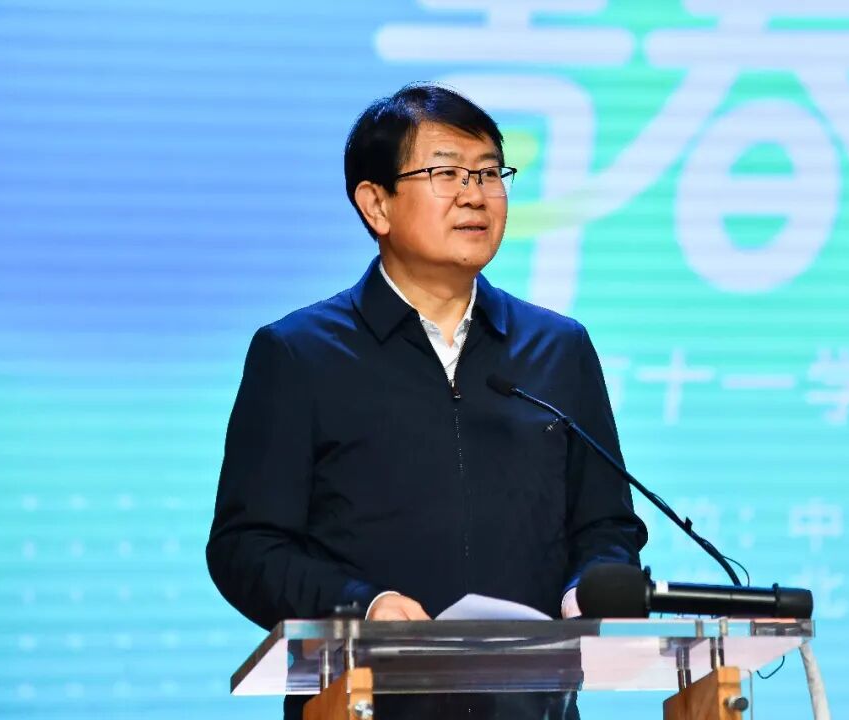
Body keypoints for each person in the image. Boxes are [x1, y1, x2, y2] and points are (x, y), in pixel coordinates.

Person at [206, 83, 647, 720]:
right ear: (376, 204)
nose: (475, 194)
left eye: (489, 173)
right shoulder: (300, 354)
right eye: (446, 173)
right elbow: (246, 547)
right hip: (363, 704)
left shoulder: (559, 349)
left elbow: (606, 527)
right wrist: (362, 605)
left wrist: (589, 591)